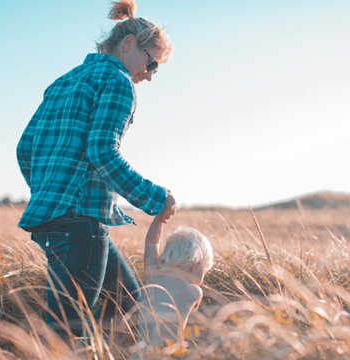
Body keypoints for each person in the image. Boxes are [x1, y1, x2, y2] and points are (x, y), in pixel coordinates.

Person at [15, 0, 176, 342]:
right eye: (153, 65)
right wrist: (155, 198)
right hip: (80, 223)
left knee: (129, 302)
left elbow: (25, 149)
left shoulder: (64, 81)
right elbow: (102, 152)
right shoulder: (119, 82)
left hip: (55, 217)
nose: (149, 75)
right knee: (63, 336)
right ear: (129, 44)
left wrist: (49, 193)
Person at [135, 214, 213, 350]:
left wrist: (160, 219)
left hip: (139, 353)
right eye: (204, 270)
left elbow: (151, 242)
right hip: (167, 354)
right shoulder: (194, 292)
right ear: (194, 265)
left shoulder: (153, 274)